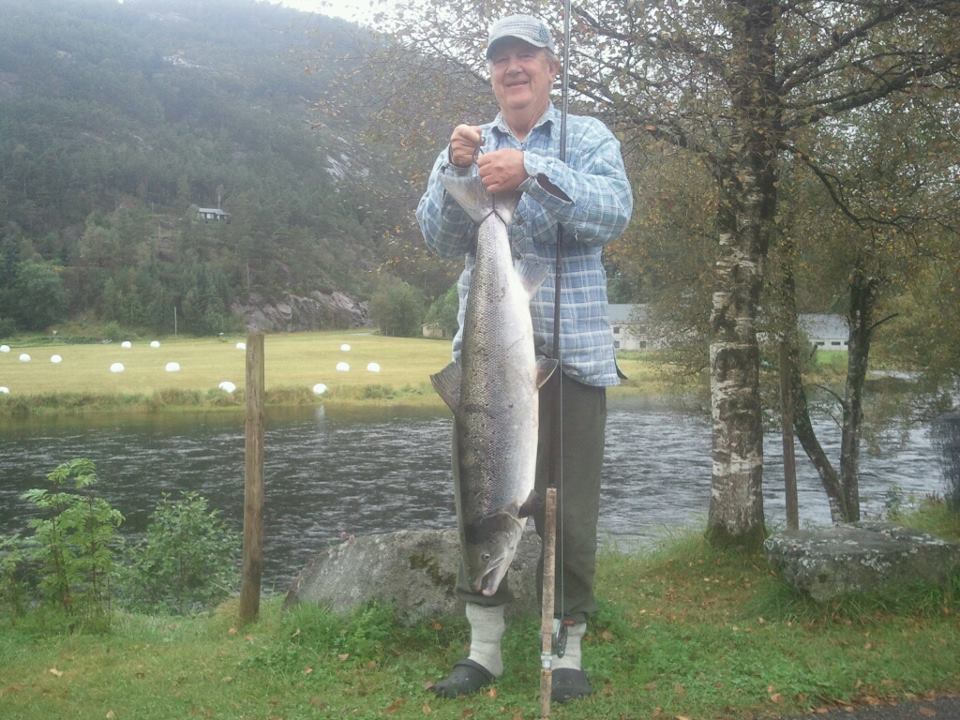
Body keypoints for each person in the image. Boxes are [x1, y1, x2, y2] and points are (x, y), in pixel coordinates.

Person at [416, 14, 633, 704]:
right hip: (485, 365)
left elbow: (613, 212)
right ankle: (483, 652)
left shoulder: (587, 138)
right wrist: (456, 172)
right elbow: (435, 235)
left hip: (574, 360)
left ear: (550, 68)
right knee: (483, 504)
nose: (513, 67)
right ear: (491, 73)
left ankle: (566, 651)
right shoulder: (466, 145)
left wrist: (531, 170)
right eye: (501, 58)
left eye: (526, 56)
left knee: (570, 515)